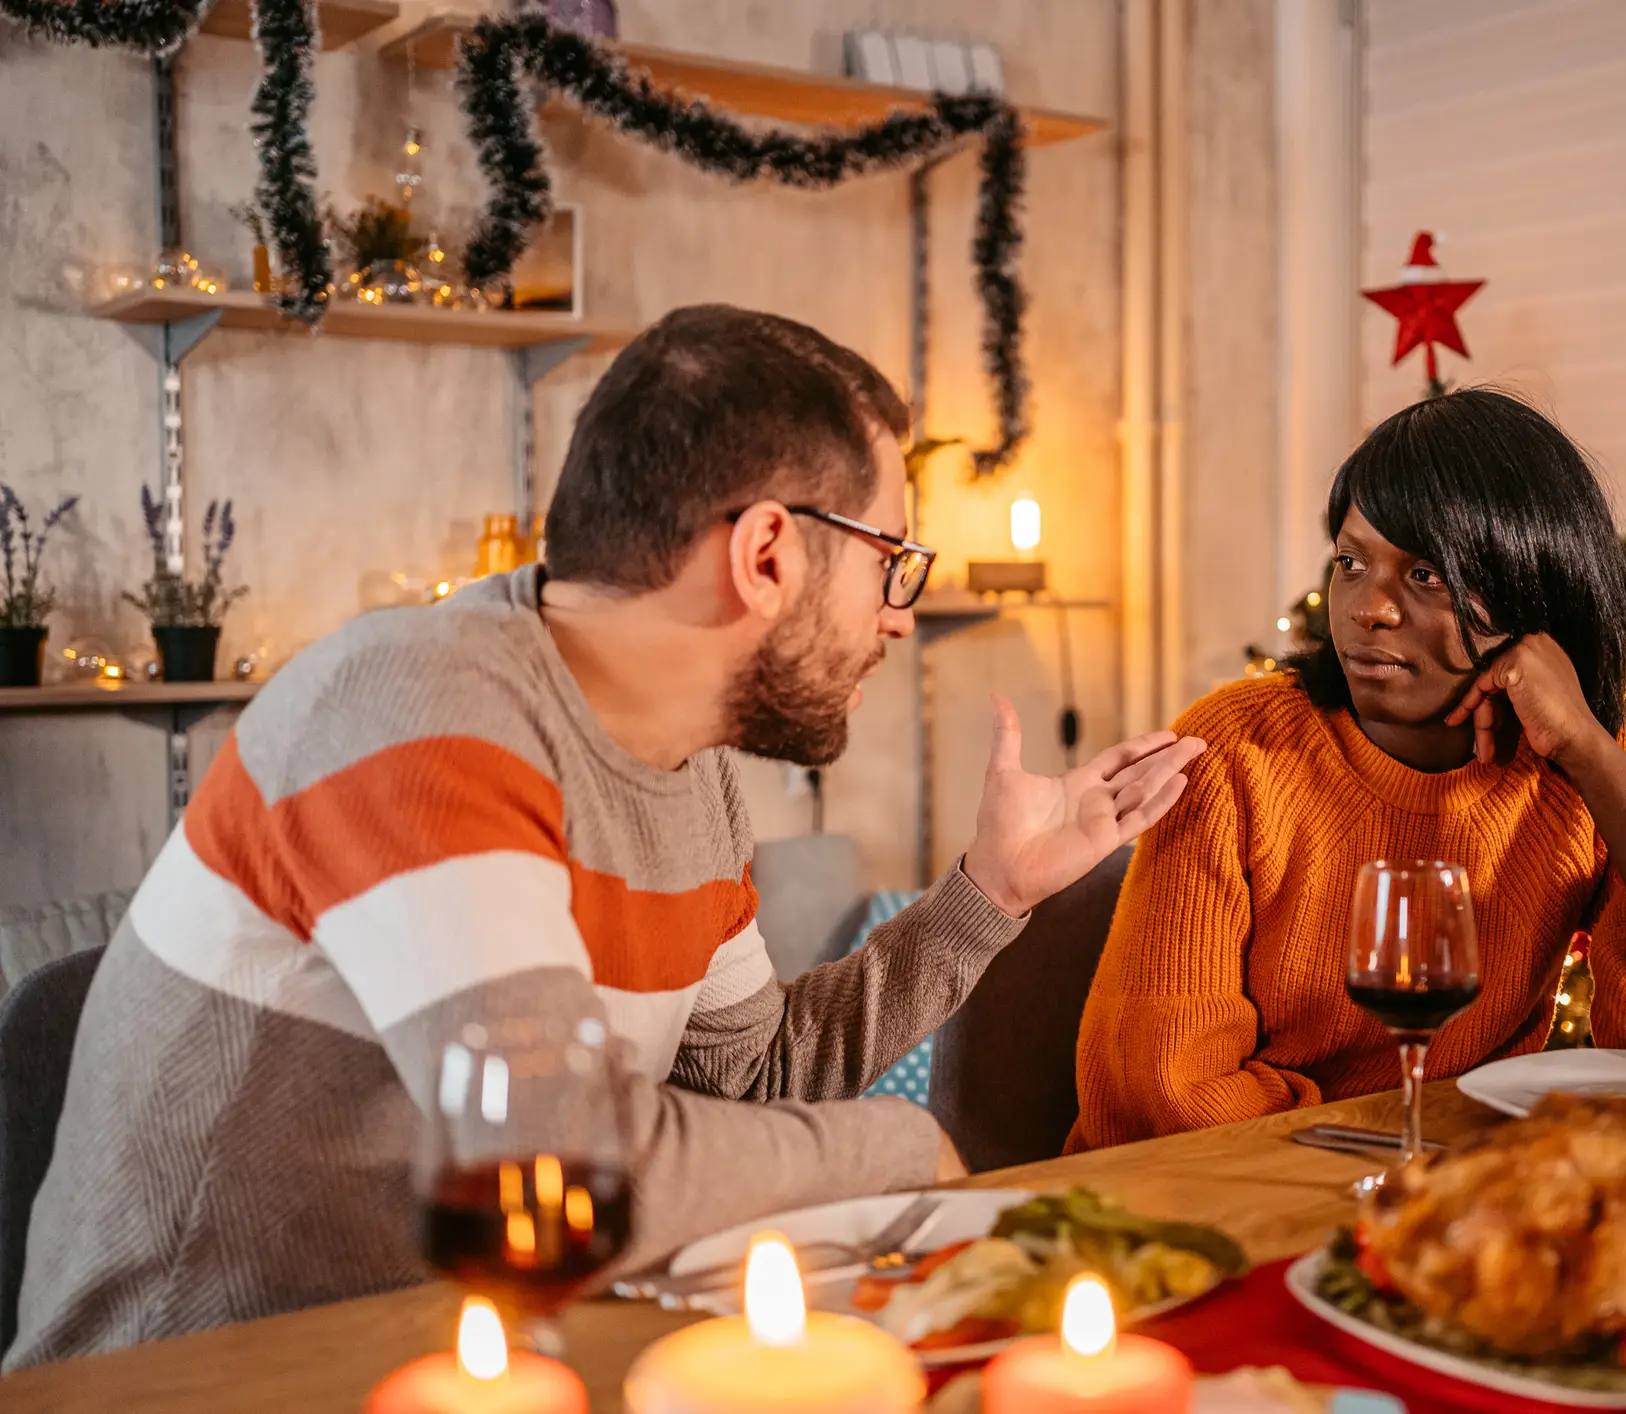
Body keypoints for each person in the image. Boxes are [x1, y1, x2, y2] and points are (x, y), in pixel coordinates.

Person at [8, 305, 1203, 1367]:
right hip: (205, 1384)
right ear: (769, 553)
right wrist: (899, 1145)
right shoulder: (416, 709)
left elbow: (754, 1082)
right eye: (891, 561)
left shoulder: (689, 770)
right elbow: (553, 1169)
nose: (900, 616)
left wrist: (986, 893)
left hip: (480, 1355)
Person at [1069, 389, 1626, 1150]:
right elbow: (1165, 1095)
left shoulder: (1574, 783)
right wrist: (1403, 1150)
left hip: (1456, 1194)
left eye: (1425, 576)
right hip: (1226, 1198)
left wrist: (1589, 748)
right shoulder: (1237, 754)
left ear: (1531, 599)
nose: (1367, 609)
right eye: (1350, 562)